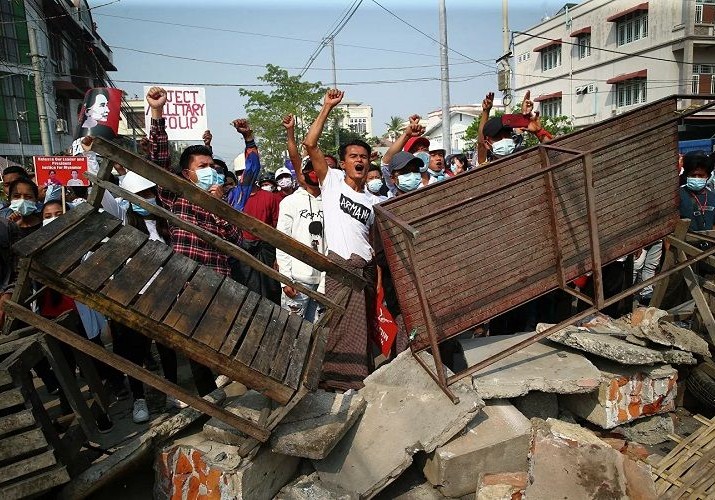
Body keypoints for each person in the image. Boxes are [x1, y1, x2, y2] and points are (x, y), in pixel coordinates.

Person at [147, 85, 240, 396]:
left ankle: (219, 385)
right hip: (188, 280)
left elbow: (234, 236)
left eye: (212, 167)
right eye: (203, 168)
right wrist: (157, 113)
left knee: (220, 336)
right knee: (194, 338)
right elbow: (158, 162)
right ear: (187, 175)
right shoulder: (177, 197)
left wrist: (218, 206)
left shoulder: (223, 202)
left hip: (221, 281)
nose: (210, 171)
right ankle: (207, 395)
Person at [303, 88, 376, 391]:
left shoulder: (375, 202)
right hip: (338, 268)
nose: (359, 161)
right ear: (343, 163)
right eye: (353, 156)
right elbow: (310, 144)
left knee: (360, 328)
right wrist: (327, 108)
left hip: (364, 271)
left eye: (364, 157)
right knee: (335, 326)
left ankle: (356, 379)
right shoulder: (331, 181)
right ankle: (330, 380)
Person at [101, 171, 179, 421]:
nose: (146, 199)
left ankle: (172, 392)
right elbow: (104, 197)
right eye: (139, 195)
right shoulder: (124, 220)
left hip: (164, 297)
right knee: (134, 352)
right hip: (134, 298)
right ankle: (139, 400)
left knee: (167, 350)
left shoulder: (165, 225)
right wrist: (93, 159)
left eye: (149, 194)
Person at [276, 156, 324, 321]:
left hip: (324, 281)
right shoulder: (290, 202)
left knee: (319, 332)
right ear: (302, 174)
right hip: (297, 280)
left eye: (318, 168)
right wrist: (285, 279)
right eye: (310, 169)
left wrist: (326, 281)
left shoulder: (331, 201)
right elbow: (282, 241)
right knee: (291, 329)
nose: (315, 172)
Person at [234, 169, 281, 304]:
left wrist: (278, 256)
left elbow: (277, 228)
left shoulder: (269, 197)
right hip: (243, 250)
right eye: (240, 172)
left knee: (271, 289)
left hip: (267, 250)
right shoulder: (233, 196)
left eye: (246, 171)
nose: (243, 175)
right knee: (247, 291)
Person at [680, 151, 715, 232]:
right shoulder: (678, 195)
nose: (696, 178)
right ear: (686, 175)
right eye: (693, 175)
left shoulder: (712, 196)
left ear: (708, 177)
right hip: (683, 243)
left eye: (701, 175)